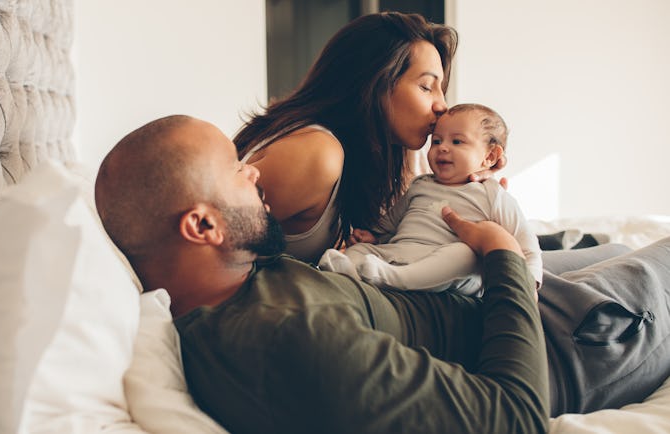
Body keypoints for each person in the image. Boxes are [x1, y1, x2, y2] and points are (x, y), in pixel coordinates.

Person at [95, 115, 670, 434]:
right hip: (562, 345)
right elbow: (514, 417)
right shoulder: (288, 342)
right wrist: (500, 255)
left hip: (483, 297)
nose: (255, 174)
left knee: (622, 243)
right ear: (202, 226)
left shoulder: (237, 277)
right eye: (236, 170)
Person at [233, 11, 508, 264]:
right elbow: (208, 246)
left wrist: (468, 193)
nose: (442, 106)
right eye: (426, 86)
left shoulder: (374, 156)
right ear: (374, 83)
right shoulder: (316, 153)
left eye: (441, 90)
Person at [319, 104, 542, 294]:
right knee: (361, 252)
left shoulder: (492, 194)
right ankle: (348, 271)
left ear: (490, 156)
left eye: (457, 142)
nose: (442, 148)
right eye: (436, 141)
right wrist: (371, 236)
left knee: (466, 254)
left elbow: (525, 241)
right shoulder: (420, 184)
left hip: (447, 270)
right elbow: (390, 223)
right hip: (400, 254)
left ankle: (394, 279)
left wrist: (529, 284)